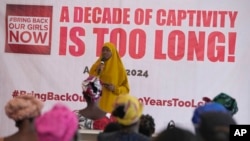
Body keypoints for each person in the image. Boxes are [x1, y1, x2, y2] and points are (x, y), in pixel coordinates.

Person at [89, 42, 130, 113]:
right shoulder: (96, 66)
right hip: (97, 104)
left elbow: (126, 89)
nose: (105, 52)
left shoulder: (119, 68)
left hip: (112, 106)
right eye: (103, 50)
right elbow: (89, 83)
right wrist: (97, 72)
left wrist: (115, 89)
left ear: (113, 53)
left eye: (108, 50)